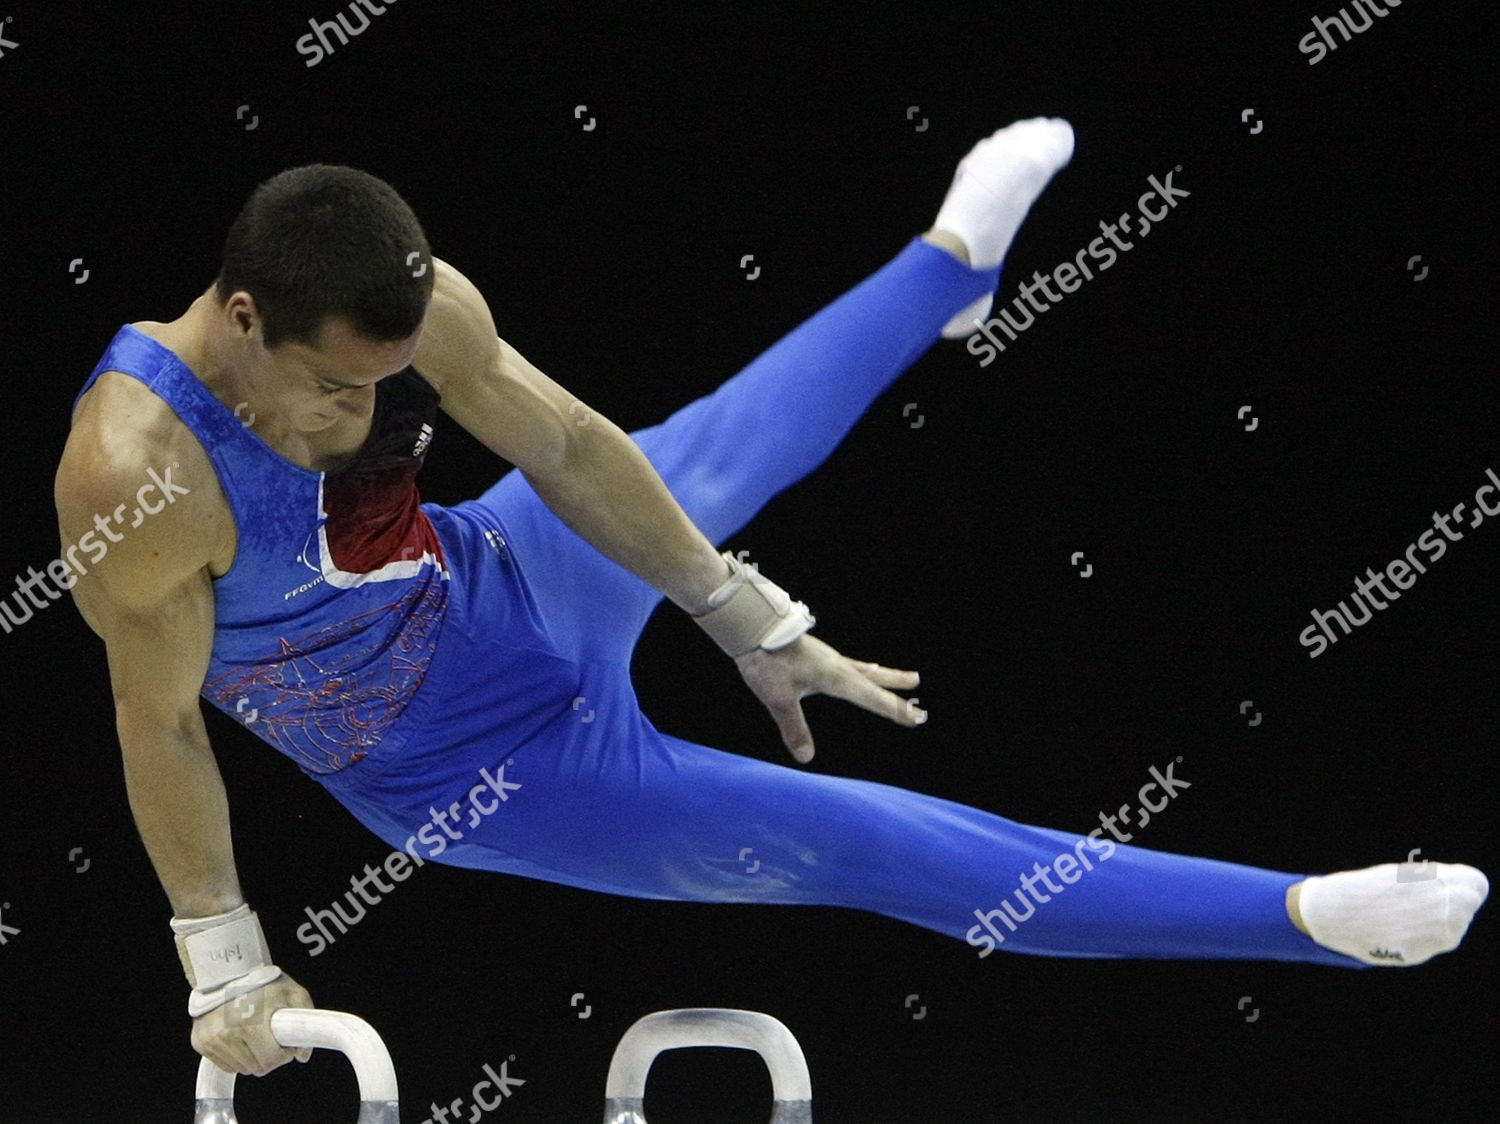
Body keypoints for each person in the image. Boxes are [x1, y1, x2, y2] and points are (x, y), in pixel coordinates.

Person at [56, 118, 1487, 1080]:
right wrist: (222, 964)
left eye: (386, 377)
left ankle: (950, 270)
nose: (363, 408)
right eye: (332, 386)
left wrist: (745, 616)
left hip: (495, 580)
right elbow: (158, 720)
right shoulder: (137, 472)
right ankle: (1302, 915)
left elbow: (560, 444)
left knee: (711, 447)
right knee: (866, 841)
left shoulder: (410, 304)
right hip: (476, 768)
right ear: (242, 317)